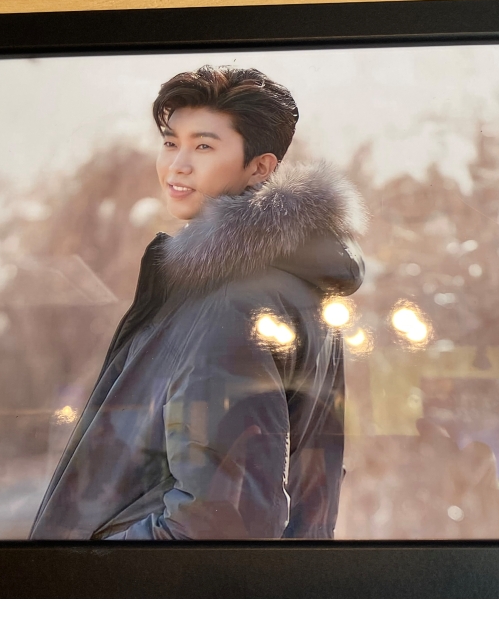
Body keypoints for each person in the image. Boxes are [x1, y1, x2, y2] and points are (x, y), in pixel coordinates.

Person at [29, 65, 367, 540]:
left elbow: (219, 526)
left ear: (260, 167)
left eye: (204, 146)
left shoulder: (231, 303)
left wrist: (84, 571)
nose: (177, 165)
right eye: (171, 142)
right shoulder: (285, 286)